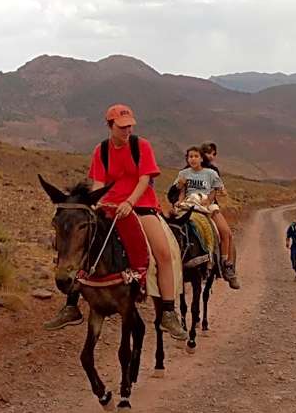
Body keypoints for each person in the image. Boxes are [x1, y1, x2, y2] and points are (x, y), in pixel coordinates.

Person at [44, 104, 188, 340]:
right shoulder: (101, 150)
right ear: (110, 126)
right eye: (122, 127)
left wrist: (130, 202)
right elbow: (99, 183)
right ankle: (71, 305)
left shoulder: (141, 146)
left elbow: (144, 179)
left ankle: (168, 312)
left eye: (129, 125)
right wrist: (99, 203)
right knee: (84, 244)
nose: (127, 130)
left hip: (141, 206)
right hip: (110, 206)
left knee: (163, 253)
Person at [199, 142, 240, 289]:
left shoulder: (213, 171)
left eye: (213, 153)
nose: (210, 156)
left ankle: (227, 265)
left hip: (209, 205)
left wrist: (208, 202)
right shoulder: (188, 169)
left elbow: (215, 191)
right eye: (207, 152)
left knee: (226, 232)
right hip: (190, 204)